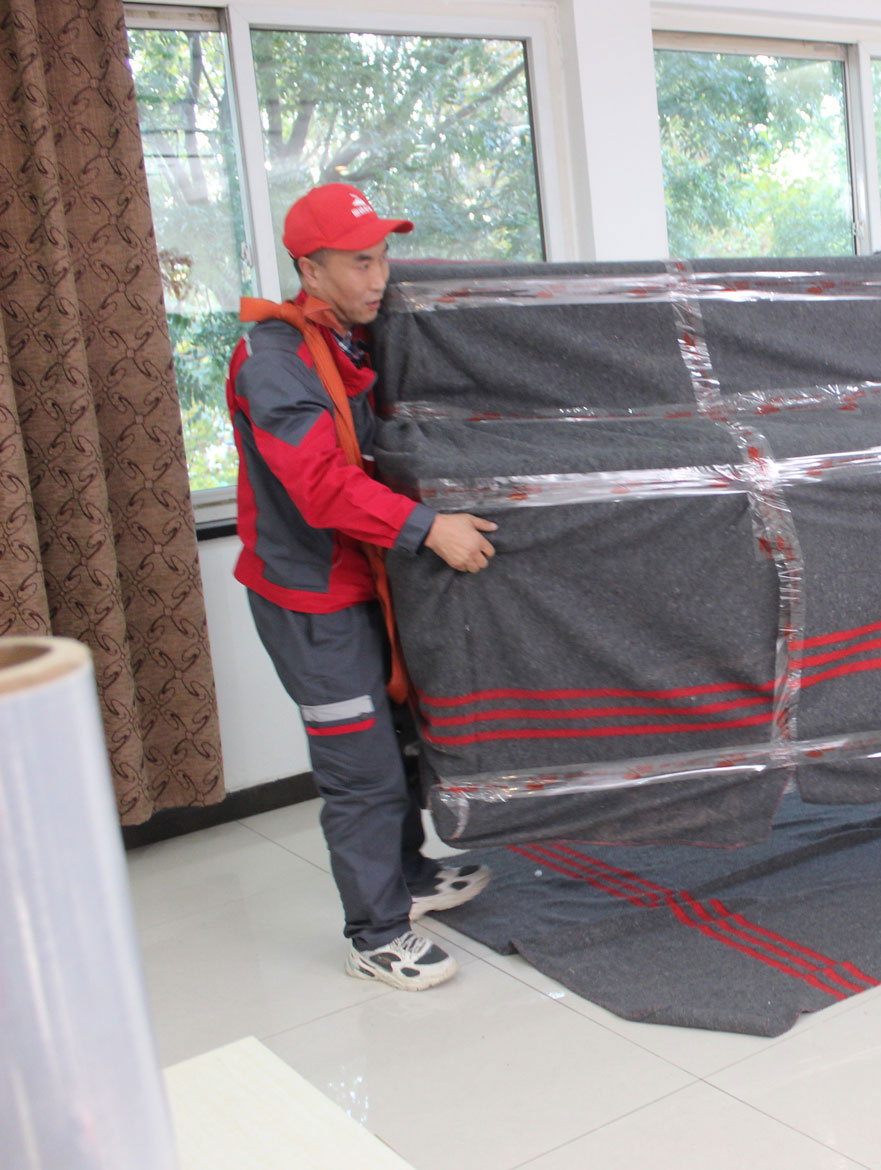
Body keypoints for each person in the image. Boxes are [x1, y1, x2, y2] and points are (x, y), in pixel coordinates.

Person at [227, 183, 500, 988]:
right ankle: (374, 933)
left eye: (382, 258)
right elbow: (319, 485)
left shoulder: (347, 341)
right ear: (310, 270)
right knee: (361, 769)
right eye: (359, 262)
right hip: (310, 598)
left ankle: (409, 877)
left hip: (369, 577)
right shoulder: (274, 362)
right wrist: (429, 529)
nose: (379, 278)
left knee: (400, 743)